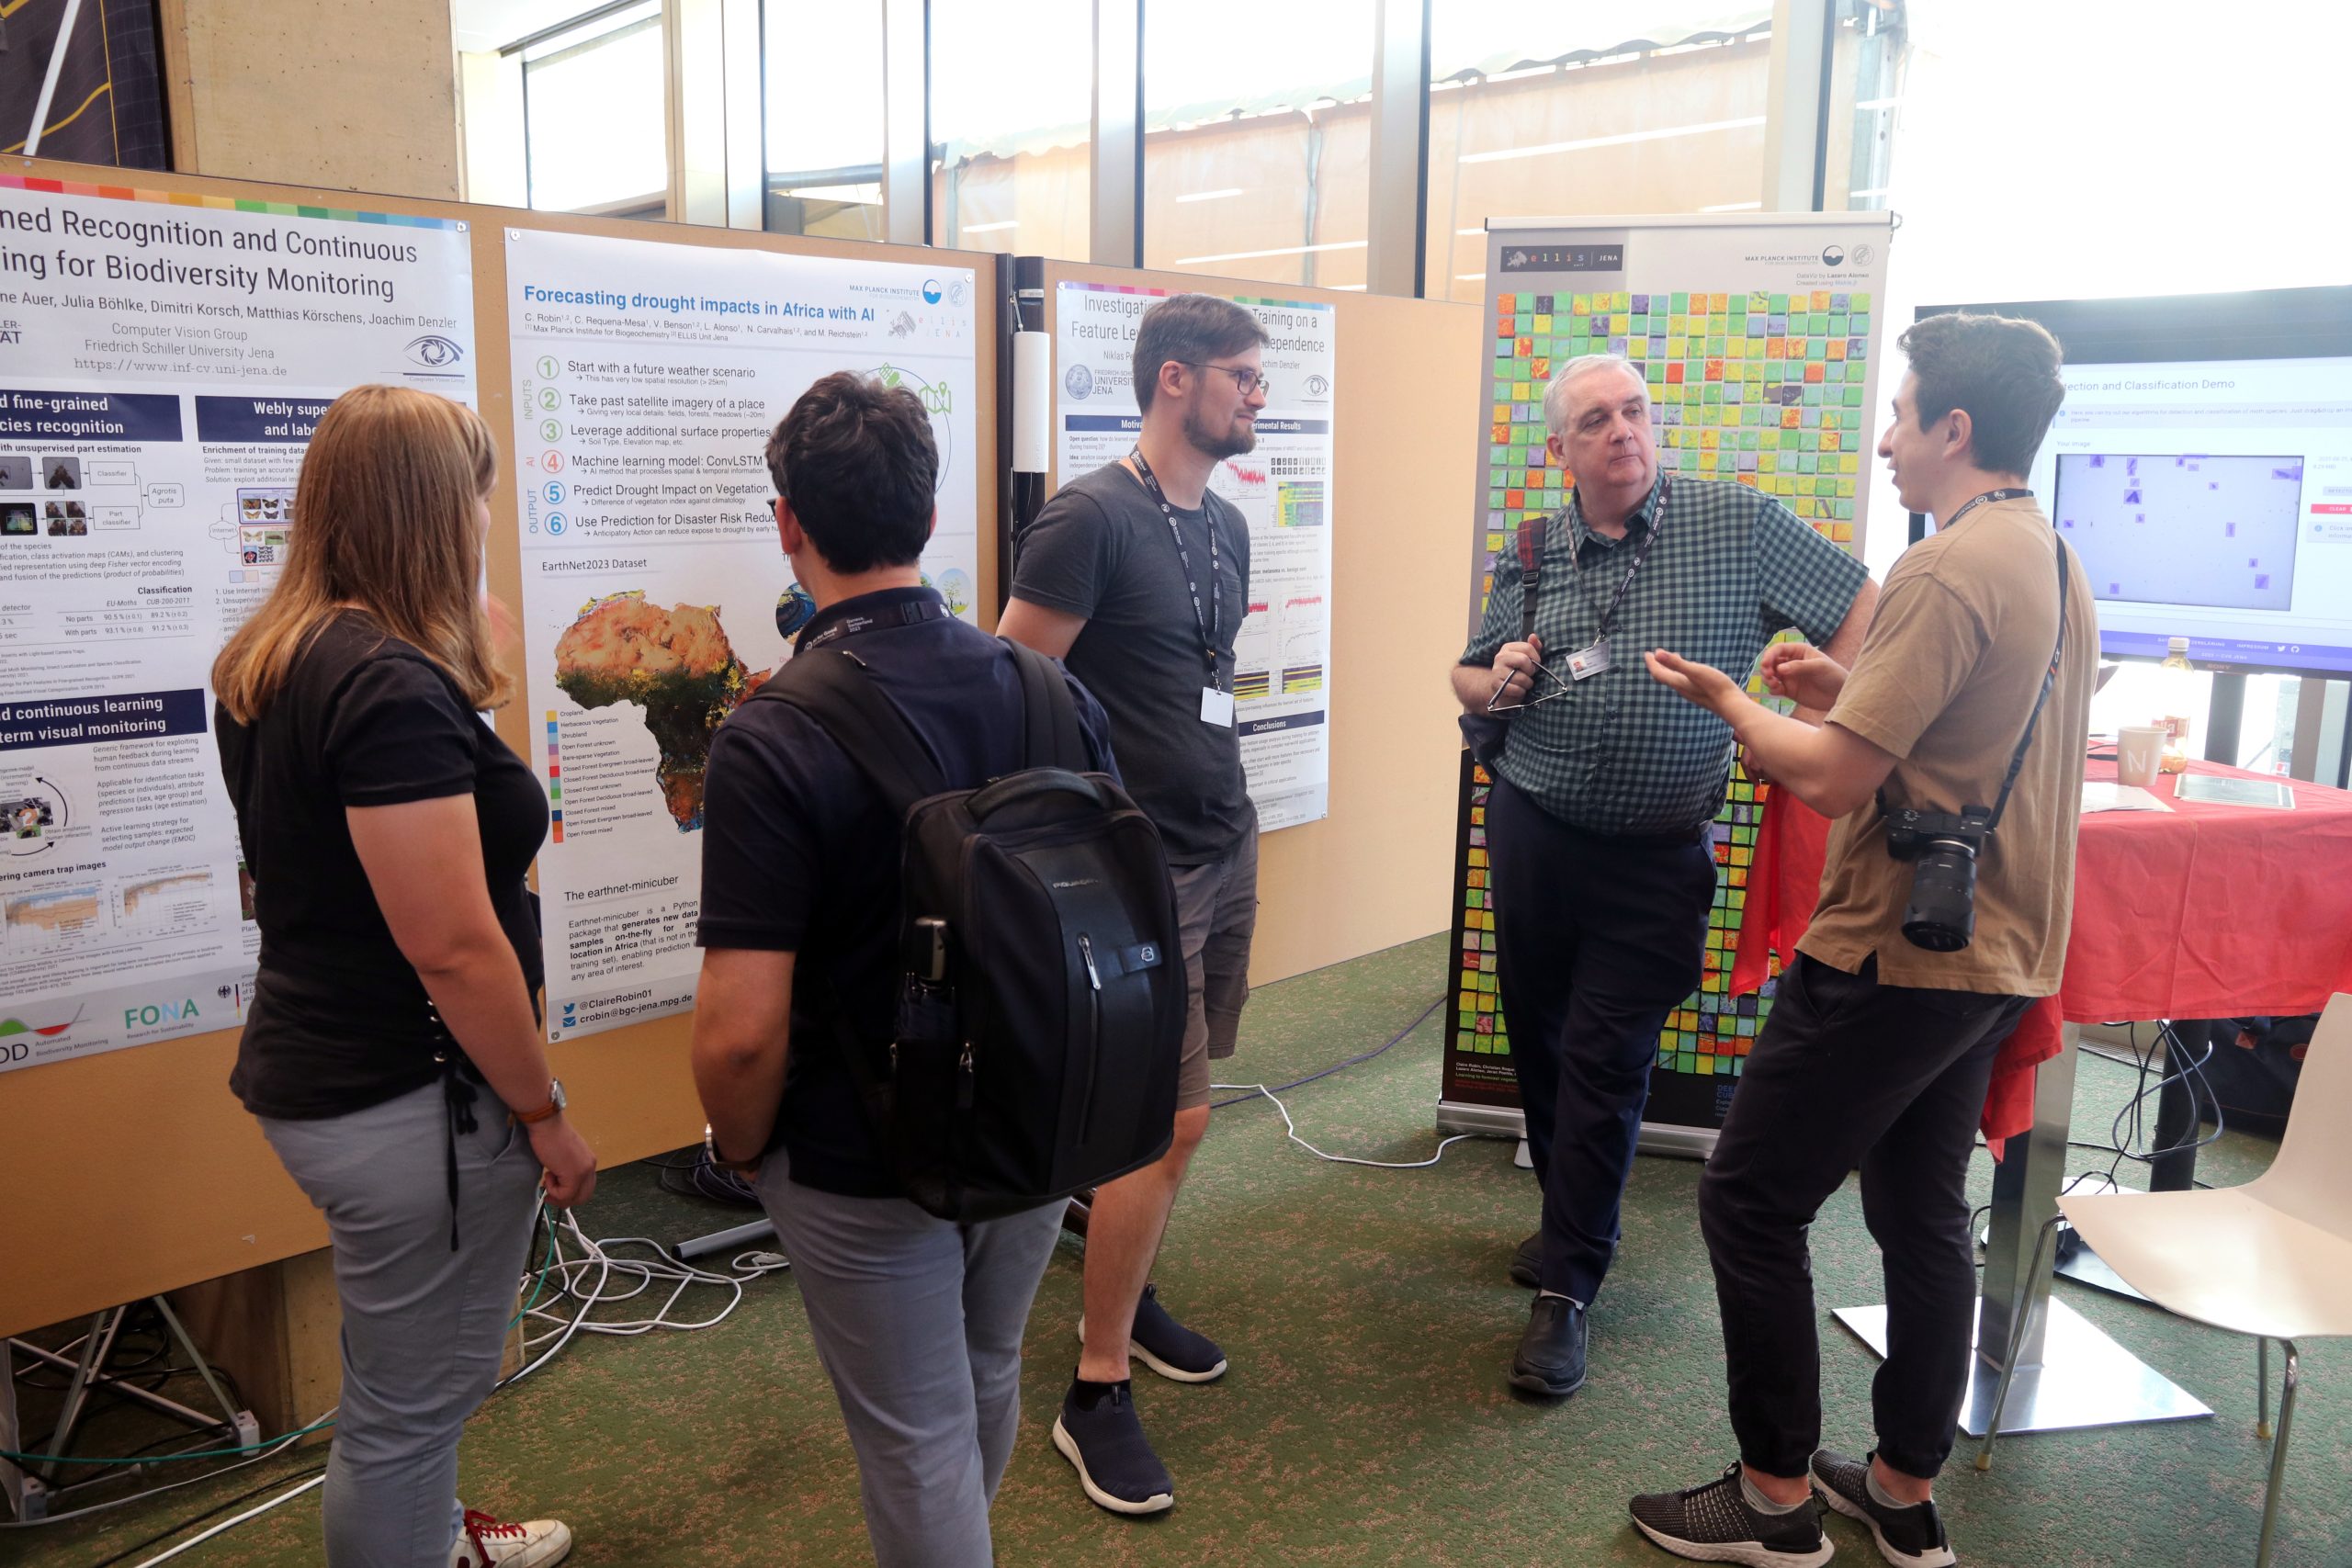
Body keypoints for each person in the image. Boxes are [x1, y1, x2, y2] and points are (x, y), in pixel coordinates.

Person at [1629, 311, 2095, 1568]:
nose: (1886, 441)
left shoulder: (1941, 569)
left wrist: (1731, 701)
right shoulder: (2048, 555)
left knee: (1749, 1199)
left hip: (1894, 951)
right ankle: (1899, 1488)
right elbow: (1975, 730)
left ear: (1955, 427)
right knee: (1919, 1212)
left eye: (1899, 416)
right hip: (1994, 952)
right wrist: (1849, 693)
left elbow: (1834, 783)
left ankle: (1774, 1497)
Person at [691, 371, 1121, 1567]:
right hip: (1033, 1111)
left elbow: (740, 1029)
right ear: (929, 515)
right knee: (981, 1372)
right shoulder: (1051, 688)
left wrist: (743, 1151)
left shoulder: (773, 732)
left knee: (914, 1434)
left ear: (789, 523)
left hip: (855, 1147)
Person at [212, 385, 594, 1568]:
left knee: (403, 1387)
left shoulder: (281, 657)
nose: (486, 520)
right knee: (408, 1412)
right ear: (437, 510)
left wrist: (457, 660)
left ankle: (433, 1538)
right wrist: (544, 1112)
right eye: (477, 497)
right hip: (410, 1096)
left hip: (330, 1072)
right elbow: (453, 946)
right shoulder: (385, 687)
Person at [1448, 353, 1877, 1399]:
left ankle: (1568, 1287)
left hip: (1655, 852)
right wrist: (1500, 674)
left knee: (1606, 1058)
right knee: (1541, 1040)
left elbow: (1865, 619)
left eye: (1635, 411)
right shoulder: (1535, 546)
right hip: (1533, 828)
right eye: (1596, 420)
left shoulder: (1739, 523)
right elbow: (1469, 669)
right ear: (1562, 449)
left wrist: (1815, 713)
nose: (1622, 432)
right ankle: (1572, 1223)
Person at [996, 291, 1263, 1515]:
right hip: (1137, 872)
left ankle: (1125, 1275)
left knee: (1171, 1121)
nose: (1258, 396)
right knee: (1172, 1121)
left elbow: (1202, 678)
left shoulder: (1227, 523)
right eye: (1242, 376)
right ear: (1174, 378)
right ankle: (1094, 1386)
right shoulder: (1088, 518)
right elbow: (1015, 694)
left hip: (1224, 838)